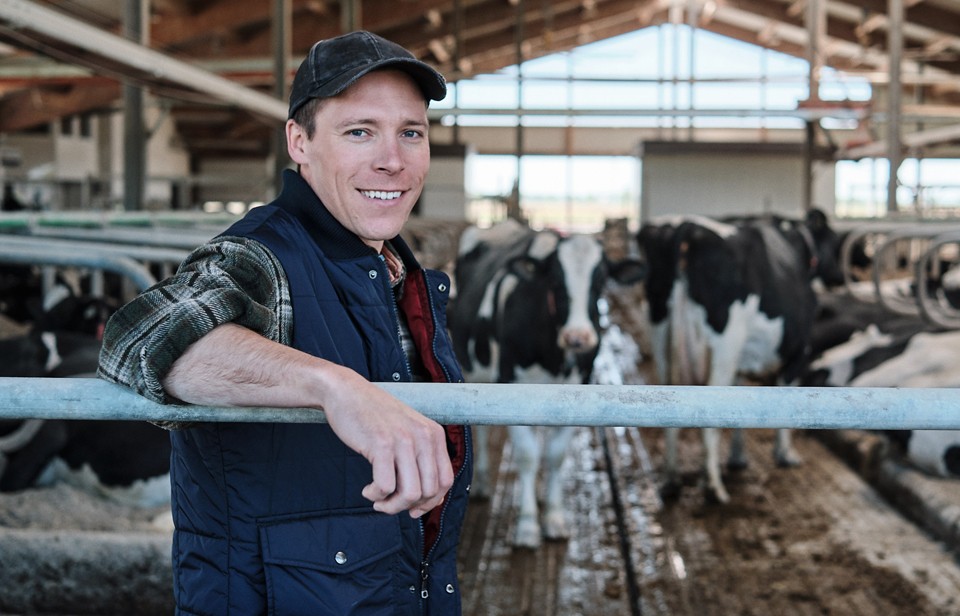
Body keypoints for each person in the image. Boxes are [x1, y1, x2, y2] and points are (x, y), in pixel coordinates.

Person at [97, 30, 472, 615]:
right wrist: (334, 387)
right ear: (299, 141)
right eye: (359, 132)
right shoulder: (263, 257)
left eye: (411, 133)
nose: (392, 160)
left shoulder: (392, 271)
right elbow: (145, 337)